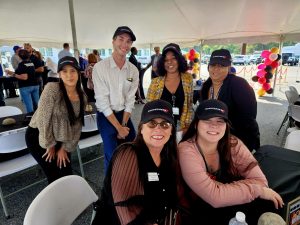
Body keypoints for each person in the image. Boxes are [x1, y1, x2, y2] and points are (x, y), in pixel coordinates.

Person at [178, 99, 284, 225]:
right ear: (196, 124)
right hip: (200, 207)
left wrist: (223, 189)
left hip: (230, 200)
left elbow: (261, 181)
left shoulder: (233, 143)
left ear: (226, 125)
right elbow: (214, 197)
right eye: (207, 120)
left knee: (271, 204)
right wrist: (257, 191)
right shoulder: (186, 149)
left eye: (220, 121)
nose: (214, 126)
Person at [92, 99, 178, 225]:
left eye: (165, 124)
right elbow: (126, 210)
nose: (158, 129)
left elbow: (170, 200)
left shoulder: (168, 156)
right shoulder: (127, 154)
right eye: (152, 124)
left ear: (171, 131)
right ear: (141, 129)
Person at [25, 56, 86, 184]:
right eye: (64, 71)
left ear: (78, 73)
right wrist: (50, 145)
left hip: (62, 137)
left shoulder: (82, 96)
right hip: (40, 135)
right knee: (54, 176)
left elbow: (77, 126)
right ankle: (56, 203)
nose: (69, 75)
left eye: (73, 71)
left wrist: (64, 148)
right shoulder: (52, 89)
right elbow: (43, 119)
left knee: (66, 173)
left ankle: (68, 202)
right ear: (59, 74)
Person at [93, 26, 139, 172]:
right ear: (113, 41)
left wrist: (123, 125)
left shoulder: (133, 70)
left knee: (134, 149)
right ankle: (110, 190)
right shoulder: (100, 68)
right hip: (106, 116)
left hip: (123, 115)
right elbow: (102, 102)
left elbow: (130, 100)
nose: (124, 45)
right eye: (121, 39)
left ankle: (129, 181)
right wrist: (118, 127)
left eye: (128, 41)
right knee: (112, 155)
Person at [200, 49, 260, 151]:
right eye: (213, 65)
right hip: (214, 136)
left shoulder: (240, 84)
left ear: (229, 67)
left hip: (237, 139)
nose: (216, 69)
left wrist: (230, 138)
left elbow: (248, 117)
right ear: (208, 67)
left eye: (221, 66)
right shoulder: (206, 86)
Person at [147, 43, 193, 134]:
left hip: (181, 129)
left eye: (173, 58)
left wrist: (187, 127)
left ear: (179, 60)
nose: (169, 62)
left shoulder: (188, 79)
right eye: (166, 60)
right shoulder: (155, 82)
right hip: (160, 129)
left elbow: (189, 105)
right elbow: (149, 110)